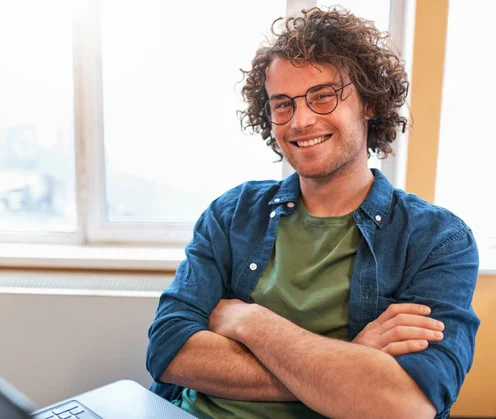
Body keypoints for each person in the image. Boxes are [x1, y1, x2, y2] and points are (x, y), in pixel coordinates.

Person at [146, 7, 480, 419]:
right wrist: (348, 365)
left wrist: (250, 321)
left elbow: (404, 404)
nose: (301, 121)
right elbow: (168, 350)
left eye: (323, 96)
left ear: (369, 102)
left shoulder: (437, 239)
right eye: (282, 104)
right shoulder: (231, 214)